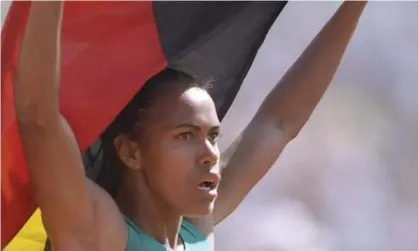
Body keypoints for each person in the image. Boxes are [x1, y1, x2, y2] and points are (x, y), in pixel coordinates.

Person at [14, 1, 367, 251]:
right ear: (131, 151)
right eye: (186, 135)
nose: (210, 154)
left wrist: (355, 5)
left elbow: (278, 123)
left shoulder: (197, 231)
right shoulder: (98, 232)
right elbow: (38, 120)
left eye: (213, 135)